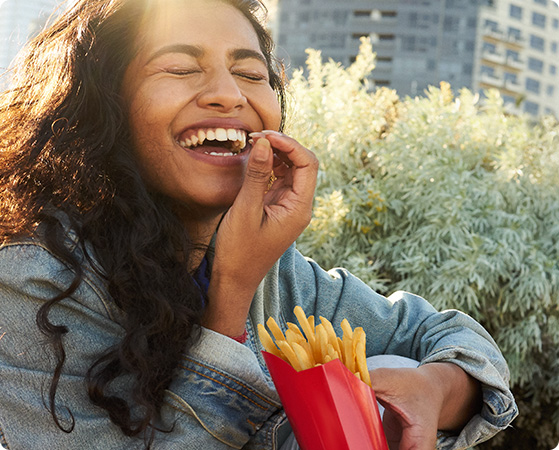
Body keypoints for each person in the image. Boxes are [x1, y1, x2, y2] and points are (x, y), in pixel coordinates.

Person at [0, 0, 517, 449]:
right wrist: (231, 293)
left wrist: (434, 389)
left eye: (252, 75)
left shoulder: (285, 277)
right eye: (181, 68)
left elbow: (451, 338)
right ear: (104, 106)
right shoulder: (31, 280)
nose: (229, 95)